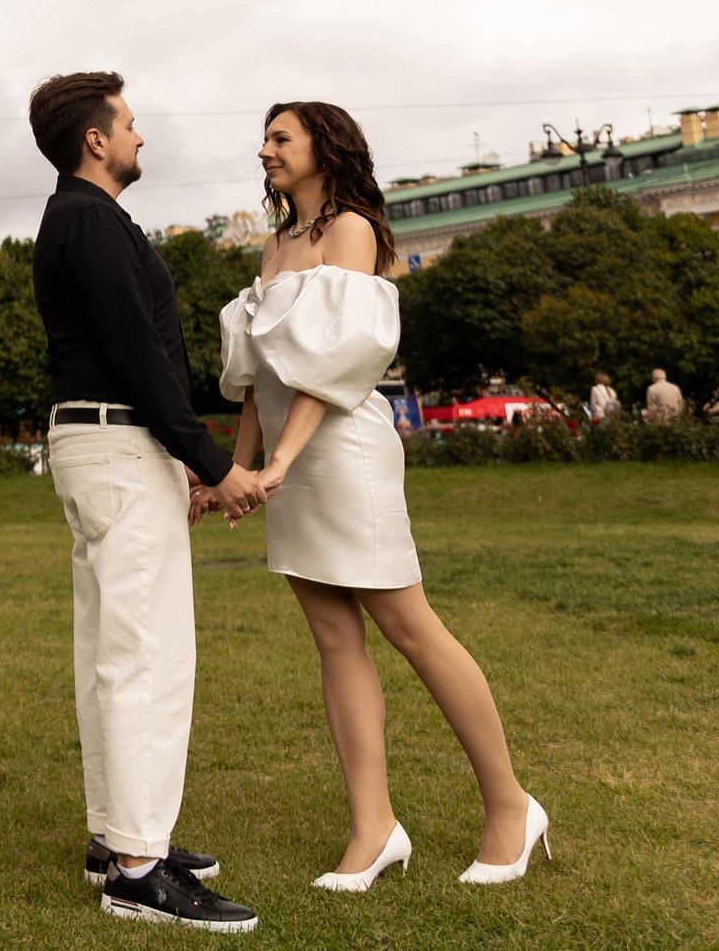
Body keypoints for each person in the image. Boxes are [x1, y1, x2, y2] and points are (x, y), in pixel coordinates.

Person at [221, 102, 548, 892]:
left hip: (345, 451)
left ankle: (512, 806)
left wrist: (282, 464)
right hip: (292, 462)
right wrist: (229, 472)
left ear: (323, 148)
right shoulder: (274, 243)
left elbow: (336, 364)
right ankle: (374, 827)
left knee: (410, 624)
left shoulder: (353, 228)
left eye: (280, 137)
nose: (263, 149)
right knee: (334, 638)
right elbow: (262, 381)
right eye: (264, 137)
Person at [28, 72, 263, 933]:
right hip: (118, 443)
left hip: (106, 444)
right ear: (96, 138)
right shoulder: (88, 221)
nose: (139, 135)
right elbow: (139, 353)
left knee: (114, 646)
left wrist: (187, 461)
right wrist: (209, 461)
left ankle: (119, 838)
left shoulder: (79, 218)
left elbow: (137, 351)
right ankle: (137, 866)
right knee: (146, 654)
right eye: (128, 123)